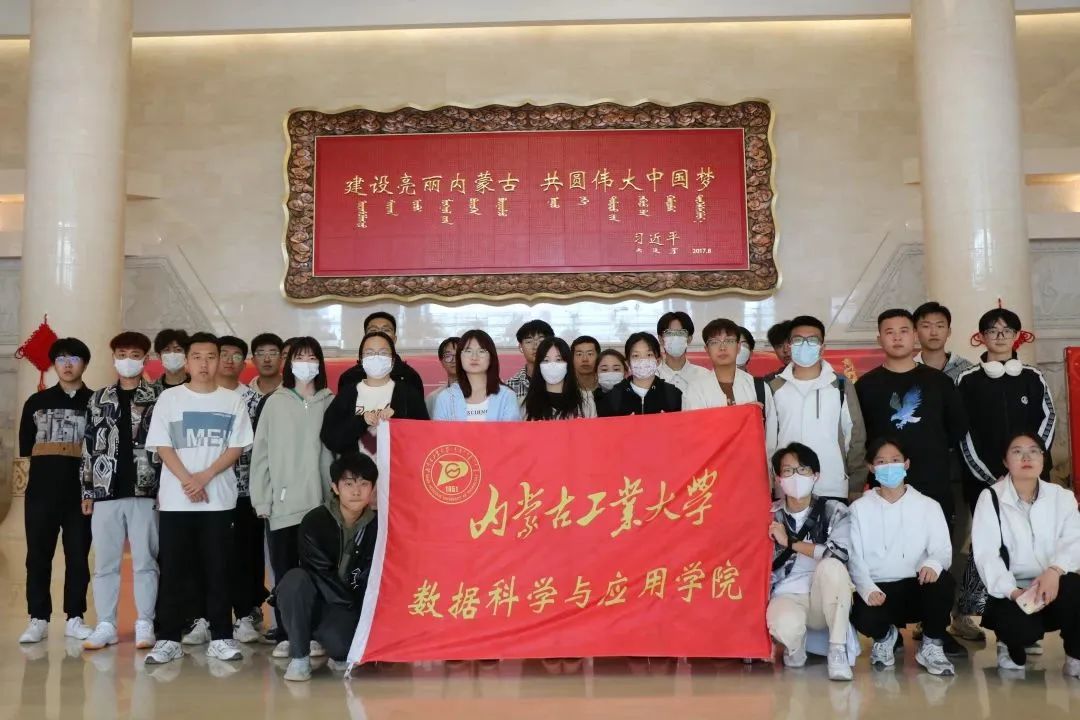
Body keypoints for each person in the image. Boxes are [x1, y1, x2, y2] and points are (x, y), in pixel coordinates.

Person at [143, 332, 254, 665]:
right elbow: (163, 446)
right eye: (197, 357)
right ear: (187, 362)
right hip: (176, 500)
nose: (204, 364)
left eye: (211, 357)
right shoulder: (170, 399)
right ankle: (168, 638)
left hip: (218, 500)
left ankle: (221, 637)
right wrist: (187, 480)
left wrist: (204, 477)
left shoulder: (232, 400)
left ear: (219, 360)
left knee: (218, 568)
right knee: (174, 569)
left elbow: (236, 447)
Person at [957, 307, 1057, 638]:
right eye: (992, 331)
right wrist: (990, 478)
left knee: (1034, 542)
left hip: (1031, 481)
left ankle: (1034, 616)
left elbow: (1048, 419)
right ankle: (975, 613)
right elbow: (962, 431)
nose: (1000, 337)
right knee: (987, 546)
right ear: (981, 337)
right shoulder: (967, 380)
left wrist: (1029, 464)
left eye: (1007, 331)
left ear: (1017, 336)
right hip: (984, 481)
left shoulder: (1033, 376)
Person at [250, 337, 336, 659]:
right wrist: (263, 499)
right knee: (285, 574)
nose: (306, 363)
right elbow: (261, 454)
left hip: (322, 506)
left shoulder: (330, 402)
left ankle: (314, 633)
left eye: (312, 357)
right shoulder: (275, 402)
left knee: (319, 573)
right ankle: (287, 633)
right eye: (300, 357)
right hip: (283, 506)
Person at [972, 432, 1080, 676]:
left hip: (1052, 583)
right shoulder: (991, 498)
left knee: (1076, 588)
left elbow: (1075, 540)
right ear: (1005, 461)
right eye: (1017, 451)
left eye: (1033, 451)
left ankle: (1076, 655)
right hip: (1013, 590)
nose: (1026, 457)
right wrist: (1012, 592)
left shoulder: (1061, 497)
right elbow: (986, 554)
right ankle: (1010, 641)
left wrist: (1054, 572)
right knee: (1019, 634)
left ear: (1043, 458)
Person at [848, 437, 956, 676]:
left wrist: (932, 564)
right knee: (861, 615)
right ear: (871, 467)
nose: (889, 467)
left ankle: (931, 644)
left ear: (906, 464)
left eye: (895, 460)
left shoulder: (928, 505)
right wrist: (867, 589)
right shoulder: (858, 510)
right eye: (881, 462)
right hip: (881, 590)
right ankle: (886, 637)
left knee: (943, 582)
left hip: (917, 586)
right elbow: (854, 558)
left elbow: (942, 549)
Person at [80, 332, 160, 652]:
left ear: (145, 359)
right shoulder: (99, 398)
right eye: (123, 354)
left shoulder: (158, 396)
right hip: (105, 490)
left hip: (146, 490)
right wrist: (87, 489)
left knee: (146, 561)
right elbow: (88, 445)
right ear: (114, 358)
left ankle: (145, 622)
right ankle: (106, 624)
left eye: (135, 354)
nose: (128, 360)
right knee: (105, 563)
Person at [855, 309, 967, 523]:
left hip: (933, 481)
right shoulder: (865, 386)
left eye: (904, 331)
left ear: (915, 336)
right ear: (879, 340)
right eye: (890, 332)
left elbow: (957, 427)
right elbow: (860, 436)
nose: (897, 338)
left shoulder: (939, 382)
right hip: (885, 485)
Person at [17, 337, 94, 644]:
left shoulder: (96, 402)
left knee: (78, 557)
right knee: (37, 557)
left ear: (84, 364)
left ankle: (75, 617)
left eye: (74, 358)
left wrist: (92, 492)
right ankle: (38, 618)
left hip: (80, 496)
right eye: (61, 358)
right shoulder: (36, 402)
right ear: (54, 364)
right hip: (41, 495)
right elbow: (25, 451)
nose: (67, 364)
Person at [277, 453, 378, 682]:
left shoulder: (377, 526)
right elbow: (321, 575)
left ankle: (331, 640)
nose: (356, 491)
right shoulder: (315, 521)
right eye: (349, 484)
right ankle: (300, 658)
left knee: (343, 649)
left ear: (372, 489)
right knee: (294, 580)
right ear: (335, 487)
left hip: (344, 605)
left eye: (364, 484)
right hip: (318, 598)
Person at [766, 443, 854, 681]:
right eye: (788, 471)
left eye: (803, 470)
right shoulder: (769, 515)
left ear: (816, 476)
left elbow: (839, 555)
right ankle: (795, 648)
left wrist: (790, 543)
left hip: (822, 597)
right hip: (785, 594)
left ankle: (837, 649)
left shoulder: (834, 511)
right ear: (778, 479)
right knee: (785, 626)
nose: (796, 476)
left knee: (832, 566)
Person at [766, 316, 867, 502]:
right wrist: (771, 484)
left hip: (832, 485)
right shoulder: (774, 387)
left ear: (822, 347)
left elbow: (855, 437)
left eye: (812, 340)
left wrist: (856, 484)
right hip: (788, 488)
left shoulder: (840, 385)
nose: (805, 345)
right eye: (798, 340)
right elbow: (770, 442)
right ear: (789, 346)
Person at [215, 335, 269, 643]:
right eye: (224, 354)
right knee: (213, 554)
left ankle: (248, 613)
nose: (229, 360)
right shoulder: (201, 396)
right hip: (208, 490)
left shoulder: (254, 400)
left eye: (237, 355)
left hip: (246, 490)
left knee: (247, 554)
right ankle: (208, 615)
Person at [323, 332, 429, 460]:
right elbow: (331, 439)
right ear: (361, 359)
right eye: (369, 353)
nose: (376, 358)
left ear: (393, 359)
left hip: (398, 470)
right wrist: (361, 421)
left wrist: (398, 419)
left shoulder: (409, 394)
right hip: (356, 471)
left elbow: (424, 436)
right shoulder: (347, 393)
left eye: (383, 353)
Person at [683, 318, 776, 421]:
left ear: (738, 347)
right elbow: (695, 429)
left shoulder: (759, 388)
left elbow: (770, 428)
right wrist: (744, 414)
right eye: (714, 342)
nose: (722, 347)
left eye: (729, 341)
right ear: (707, 350)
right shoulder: (695, 390)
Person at [433, 330, 521, 421]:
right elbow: (439, 430)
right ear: (460, 357)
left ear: (491, 357)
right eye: (468, 351)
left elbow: (512, 430)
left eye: (481, 351)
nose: (474, 357)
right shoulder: (446, 397)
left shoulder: (506, 396)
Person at [337, 312, 424, 395]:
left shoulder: (410, 377)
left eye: (386, 330)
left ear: (394, 339)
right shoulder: (349, 377)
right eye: (373, 330)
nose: (379, 334)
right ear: (365, 338)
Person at [597, 332, 681, 416]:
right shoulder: (613, 396)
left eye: (649, 355)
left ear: (658, 361)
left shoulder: (672, 394)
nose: (642, 360)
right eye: (636, 355)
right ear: (628, 363)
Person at [523, 338, 593, 420]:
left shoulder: (586, 400)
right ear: (538, 365)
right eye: (546, 360)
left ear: (568, 363)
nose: (552, 365)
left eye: (558, 359)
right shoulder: (525, 403)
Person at [913, 302, 974, 383]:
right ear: (915, 332)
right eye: (926, 326)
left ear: (949, 331)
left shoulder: (967, 369)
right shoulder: (908, 370)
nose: (934, 333)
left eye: (940, 326)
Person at [655, 311, 712, 393]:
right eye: (669, 333)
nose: (675, 338)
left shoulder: (705, 376)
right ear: (661, 339)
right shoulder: (651, 377)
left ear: (689, 339)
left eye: (681, 333)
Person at [505, 319, 555, 400]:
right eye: (529, 341)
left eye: (541, 340)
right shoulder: (510, 386)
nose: (536, 346)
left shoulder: (562, 381)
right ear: (520, 347)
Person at [426, 336, 460, 416]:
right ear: (441, 361)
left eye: (458, 355)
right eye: (448, 356)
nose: (454, 360)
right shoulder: (433, 398)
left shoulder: (480, 395)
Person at [152, 329, 190, 393]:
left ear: (187, 354)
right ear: (159, 356)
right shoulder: (149, 391)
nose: (172, 354)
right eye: (167, 350)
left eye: (178, 349)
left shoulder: (199, 386)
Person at [571, 336, 601, 416]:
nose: (585, 359)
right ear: (571, 358)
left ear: (598, 357)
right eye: (579, 354)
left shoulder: (605, 386)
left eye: (590, 354)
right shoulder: (566, 389)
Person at [249, 332, 285, 397]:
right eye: (261, 354)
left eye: (273, 353)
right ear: (253, 360)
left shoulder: (295, 390)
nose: (267, 359)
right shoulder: (245, 393)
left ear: (281, 359)